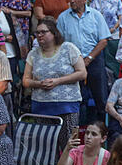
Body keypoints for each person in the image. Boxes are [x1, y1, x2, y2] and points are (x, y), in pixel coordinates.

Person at [23, 17, 87, 148]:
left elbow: (82, 73)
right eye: (37, 33)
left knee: (68, 144)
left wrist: (58, 81)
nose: (39, 35)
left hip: (67, 105)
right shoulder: (33, 54)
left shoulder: (69, 48)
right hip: (42, 105)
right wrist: (39, 84)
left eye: (43, 32)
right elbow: (25, 80)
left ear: (53, 33)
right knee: (46, 145)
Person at [58, 0, 112, 124]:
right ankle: (77, 132)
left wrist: (89, 58)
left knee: (101, 97)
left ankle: (103, 132)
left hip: (94, 59)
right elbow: (59, 42)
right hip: (72, 62)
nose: (72, 1)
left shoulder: (96, 15)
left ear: (85, 0)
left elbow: (104, 40)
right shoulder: (63, 17)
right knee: (76, 99)